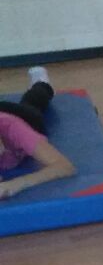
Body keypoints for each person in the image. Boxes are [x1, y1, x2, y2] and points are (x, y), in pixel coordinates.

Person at [0, 67, 77, 200]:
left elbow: (65, 166)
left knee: (33, 102)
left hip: (26, 117)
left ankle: (41, 82)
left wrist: (15, 184)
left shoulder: (14, 128)